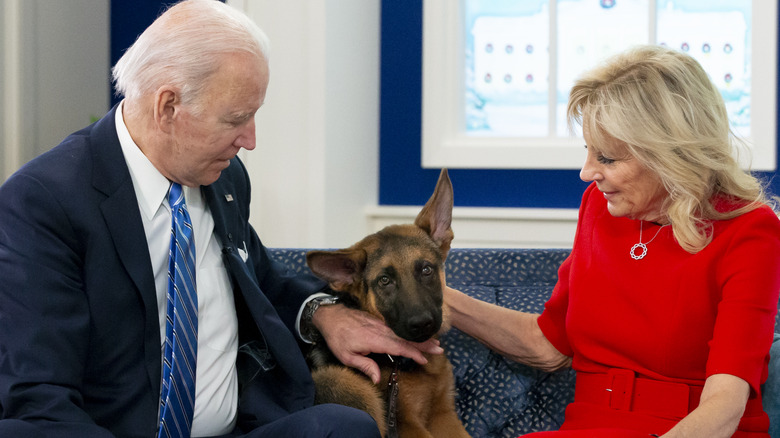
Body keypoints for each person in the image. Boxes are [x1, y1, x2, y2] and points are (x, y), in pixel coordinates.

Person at [0, 1, 442, 437]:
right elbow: (40, 395)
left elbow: (263, 282)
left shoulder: (223, 177)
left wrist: (323, 313)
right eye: (237, 118)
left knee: (343, 426)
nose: (249, 140)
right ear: (168, 106)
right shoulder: (43, 202)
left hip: (238, 428)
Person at [444, 45, 780, 438]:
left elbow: (725, 405)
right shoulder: (599, 207)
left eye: (607, 158)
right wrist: (435, 297)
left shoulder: (750, 229)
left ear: (670, 154)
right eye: (588, 152)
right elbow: (548, 344)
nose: (587, 173)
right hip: (588, 427)